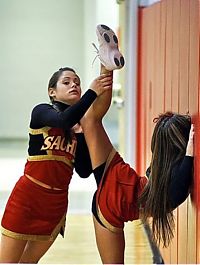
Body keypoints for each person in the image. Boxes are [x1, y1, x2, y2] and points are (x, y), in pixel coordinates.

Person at [80, 24, 194, 264]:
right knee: (90, 120)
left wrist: (189, 151)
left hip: (120, 188)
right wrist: (190, 150)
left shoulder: (161, 169)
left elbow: (178, 174)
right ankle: (105, 66)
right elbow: (183, 178)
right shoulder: (170, 188)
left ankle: (106, 66)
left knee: (90, 120)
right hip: (115, 197)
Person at [0, 66, 113, 263]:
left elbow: (84, 171)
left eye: (77, 82)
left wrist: (81, 133)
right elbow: (62, 120)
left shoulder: (78, 127)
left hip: (56, 204)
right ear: (52, 92)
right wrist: (92, 93)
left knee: (28, 262)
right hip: (29, 197)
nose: (74, 85)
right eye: (67, 82)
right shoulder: (42, 111)